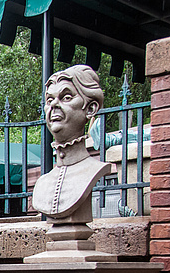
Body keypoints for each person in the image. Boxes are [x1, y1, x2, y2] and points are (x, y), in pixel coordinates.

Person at [32, 65, 111, 222]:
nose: (54, 105)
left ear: (90, 108)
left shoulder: (94, 170)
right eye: (49, 100)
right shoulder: (42, 183)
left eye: (66, 97)